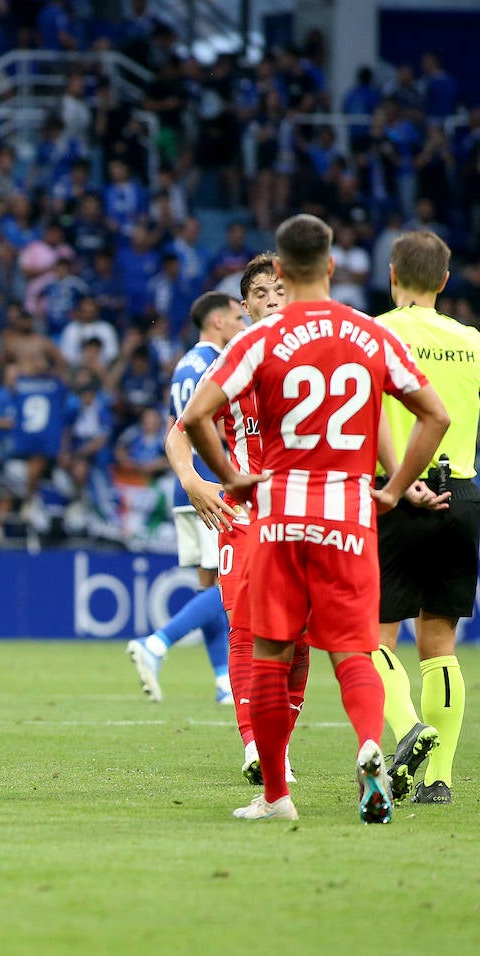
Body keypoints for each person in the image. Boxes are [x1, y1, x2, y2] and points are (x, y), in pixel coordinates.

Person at [183, 213, 450, 823]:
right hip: (350, 518)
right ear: (332, 266)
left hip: (278, 519)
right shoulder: (368, 333)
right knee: (354, 651)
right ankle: (370, 747)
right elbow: (434, 416)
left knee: (271, 656)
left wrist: (230, 476)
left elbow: (198, 416)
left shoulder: (257, 341)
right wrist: (394, 488)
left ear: (280, 270)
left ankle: (277, 797)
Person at [164, 254, 311, 786]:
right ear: (244, 307)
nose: (273, 299)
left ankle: (278, 748)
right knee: (247, 632)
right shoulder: (231, 364)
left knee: (299, 641)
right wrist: (193, 480)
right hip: (245, 517)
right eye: (261, 293)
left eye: (280, 290)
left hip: (308, 516)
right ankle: (256, 747)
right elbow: (178, 432)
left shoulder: (318, 357)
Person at [371, 230, 480, 805]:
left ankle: (409, 729)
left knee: (373, 634)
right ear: (444, 279)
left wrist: (396, 482)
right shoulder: (473, 342)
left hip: (399, 491)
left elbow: (366, 418)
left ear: (393, 275)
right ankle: (439, 778)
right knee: (439, 643)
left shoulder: (377, 333)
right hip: (461, 494)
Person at [126, 291, 247, 705]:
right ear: (217, 321)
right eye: (236, 316)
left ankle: (221, 681)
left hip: (188, 484)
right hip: (211, 484)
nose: (242, 323)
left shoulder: (184, 364)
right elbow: (206, 424)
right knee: (229, 586)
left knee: (209, 586)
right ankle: (155, 644)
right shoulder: (216, 365)